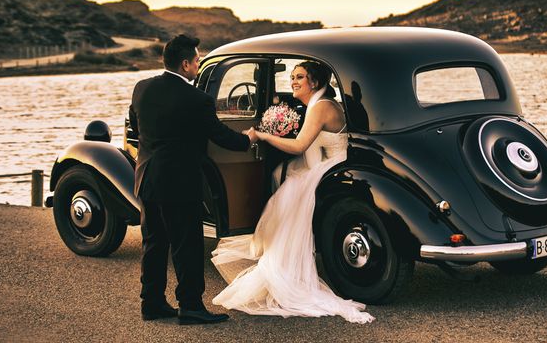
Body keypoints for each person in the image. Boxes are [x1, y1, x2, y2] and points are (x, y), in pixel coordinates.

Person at [211, 61, 374, 324]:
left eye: (300, 77)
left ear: (315, 83)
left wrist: (263, 136)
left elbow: (299, 146)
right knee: (280, 177)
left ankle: (283, 265)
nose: (293, 81)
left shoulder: (321, 107)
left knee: (288, 194)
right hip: (322, 162)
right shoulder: (318, 104)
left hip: (328, 167)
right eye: (292, 76)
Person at [129, 34, 258, 325]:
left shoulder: (142, 88)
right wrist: (246, 140)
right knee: (186, 246)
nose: (198, 64)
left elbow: (136, 127)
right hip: (179, 183)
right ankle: (190, 306)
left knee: (154, 243)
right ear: (186, 64)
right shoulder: (197, 99)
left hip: (148, 178)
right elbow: (219, 135)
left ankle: (152, 304)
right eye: (197, 60)